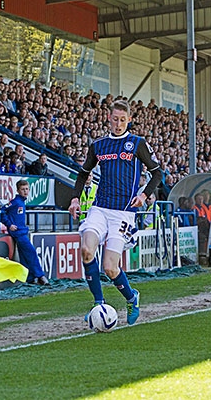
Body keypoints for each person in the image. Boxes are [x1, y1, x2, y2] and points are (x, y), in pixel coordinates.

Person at [68, 99, 162, 326]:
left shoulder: (137, 143)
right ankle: (98, 303)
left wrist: (144, 195)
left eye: (123, 120)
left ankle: (131, 297)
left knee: (110, 267)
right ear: (108, 119)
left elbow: (158, 174)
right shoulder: (98, 145)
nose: (118, 124)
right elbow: (83, 173)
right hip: (99, 208)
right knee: (86, 250)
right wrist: (75, 199)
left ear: (129, 120)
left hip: (123, 213)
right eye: (115, 119)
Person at [0, 179, 49, 285]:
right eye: (23, 189)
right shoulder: (15, 202)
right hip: (18, 232)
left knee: (24, 255)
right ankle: (40, 276)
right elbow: (2, 211)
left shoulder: (22, 202)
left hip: (22, 231)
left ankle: (29, 278)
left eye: (27, 189)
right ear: (18, 190)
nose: (25, 191)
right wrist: (9, 225)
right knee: (31, 252)